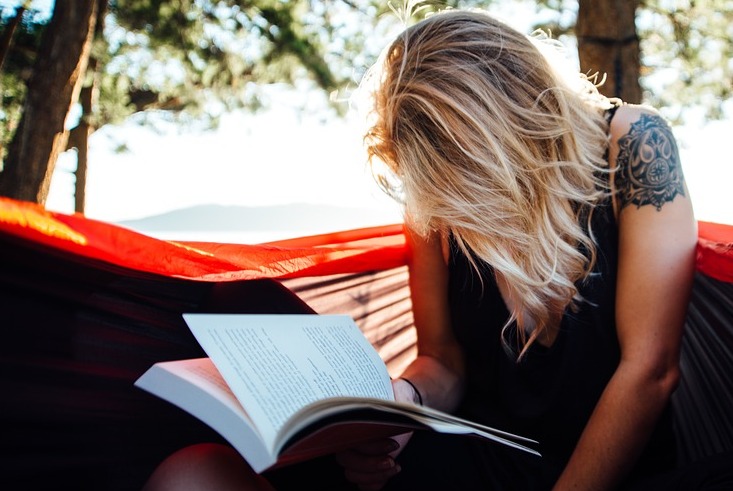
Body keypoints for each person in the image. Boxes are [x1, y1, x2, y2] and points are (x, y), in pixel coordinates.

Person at [142, 8, 710, 490]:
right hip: (478, 454)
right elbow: (444, 360)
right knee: (193, 473)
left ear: (509, 135)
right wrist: (396, 406)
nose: (446, 213)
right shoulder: (435, 192)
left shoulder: (634, 144)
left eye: (461, 182)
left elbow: (649, 370)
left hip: (608, 466)